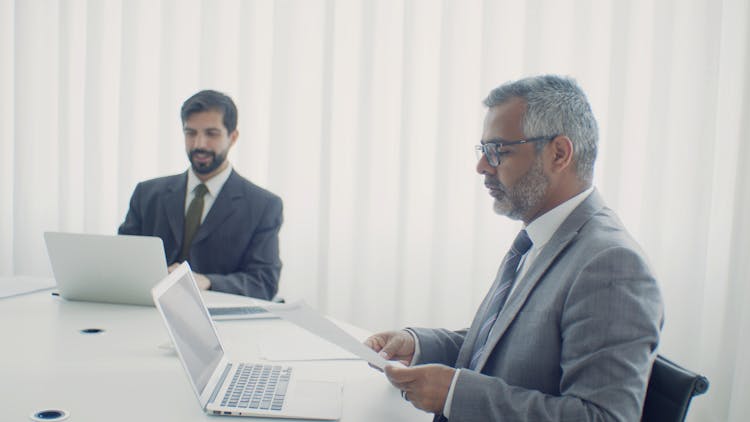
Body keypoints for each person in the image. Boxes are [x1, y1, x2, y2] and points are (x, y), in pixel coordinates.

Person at [365, 75, 663, 421]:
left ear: (559, 153)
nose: (481, 167)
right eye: (483, 151)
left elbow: (603, 417)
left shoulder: (613, 264)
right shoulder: (539, 238)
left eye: (498, 151)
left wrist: (455, 394)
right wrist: (418, 346)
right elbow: (500, 349)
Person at [119, 90, 282, 300]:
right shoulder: (147, 194)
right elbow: (122, 263)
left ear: (233, 137)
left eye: (211, 134)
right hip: (146, 314)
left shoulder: (263, 206)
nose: (199, 144)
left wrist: (208, 281)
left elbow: (263, 282)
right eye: (191, 133)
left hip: (221, 323)